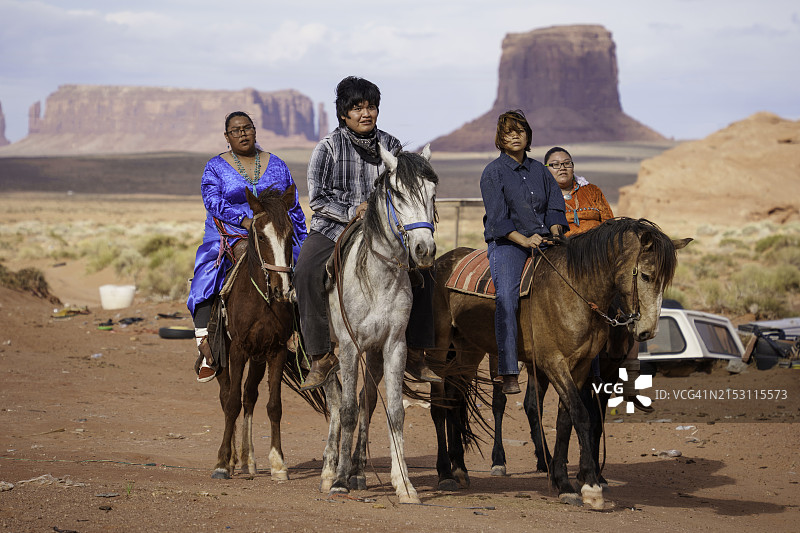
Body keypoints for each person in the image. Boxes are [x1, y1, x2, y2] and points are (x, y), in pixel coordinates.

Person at [294, 76, 439, 391]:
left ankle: (415, 350)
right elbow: (318, 199)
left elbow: (408, 191)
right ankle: (320, 355)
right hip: (334, 227)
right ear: (343, 114)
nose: (366, 113)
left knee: (425, 269)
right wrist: (352, 211)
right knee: (305, 270)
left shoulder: (392, 146)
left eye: (371, 106)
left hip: (386, 230)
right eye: (357, 108)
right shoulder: (327, 148)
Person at [187, 111, 307, 382]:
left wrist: (303, 237)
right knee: (208, 274)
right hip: (229, 231)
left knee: (300, 268)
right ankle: (207, 346)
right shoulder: (215, 166)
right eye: (235, 130)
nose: (242, 134)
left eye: (247, 128)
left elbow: (293, 204)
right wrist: (244, 221)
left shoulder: (276, 164)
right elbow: (212, 201)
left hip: (273, 231)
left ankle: (304, 341)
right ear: (227, 137)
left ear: (255, 131)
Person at [480, 110, 568, 395]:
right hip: (508, 244)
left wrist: (555, 234)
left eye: (520, 130)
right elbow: (498, 219)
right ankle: (508, 370)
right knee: (506, 296)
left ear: (528, 135)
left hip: (546, 240)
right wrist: (525, 240)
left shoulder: (540, 170)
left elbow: (555, 206)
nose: (515, 135)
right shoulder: (493, 173)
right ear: (500, 139)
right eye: (508, 132)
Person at [544, 147, 613, 235]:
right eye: (555, 164)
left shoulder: (592, 191)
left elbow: (609, 223)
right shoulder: (542, 196)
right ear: (545, 169)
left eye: (567, 163)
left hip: (597, 245)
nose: (562, 168)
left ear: (573, 167)